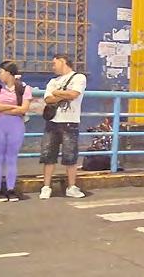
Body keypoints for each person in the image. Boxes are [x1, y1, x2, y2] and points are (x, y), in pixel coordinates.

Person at [40, 54, 87, 199]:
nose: (53, 67)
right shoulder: (52, 81)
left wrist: (56, 92)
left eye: (54, 63)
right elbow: (48, 99)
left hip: (70, 122)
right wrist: (63, 94)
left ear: (63, 62)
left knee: (70, 156)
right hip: (53, 122)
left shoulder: (79, 78)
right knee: (48, 155)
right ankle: (46, 187)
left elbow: (74, 94)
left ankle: (71, 187)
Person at [0, 61, 32, 202]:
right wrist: (14, 108)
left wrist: (3, 108)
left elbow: (24, 109)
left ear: (9, 73)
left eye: (1, 72)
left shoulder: (24, 88)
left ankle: (10, 188)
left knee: (11, 158)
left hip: (16, 126)